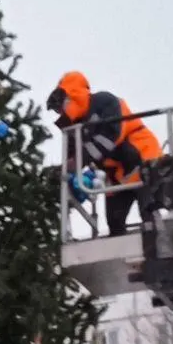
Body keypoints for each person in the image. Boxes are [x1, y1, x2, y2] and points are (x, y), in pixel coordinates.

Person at [47, 71, 162, 236]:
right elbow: (73, 158)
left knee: (149, 213)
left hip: (142, 159)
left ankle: (158, 245)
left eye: (60, 107)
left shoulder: (104, 101)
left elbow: (110, 138)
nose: (60, 113)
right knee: (114, 221)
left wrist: (77, 162)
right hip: (116, 174)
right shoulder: (73, 127)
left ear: (72, 96)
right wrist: (62, 169)